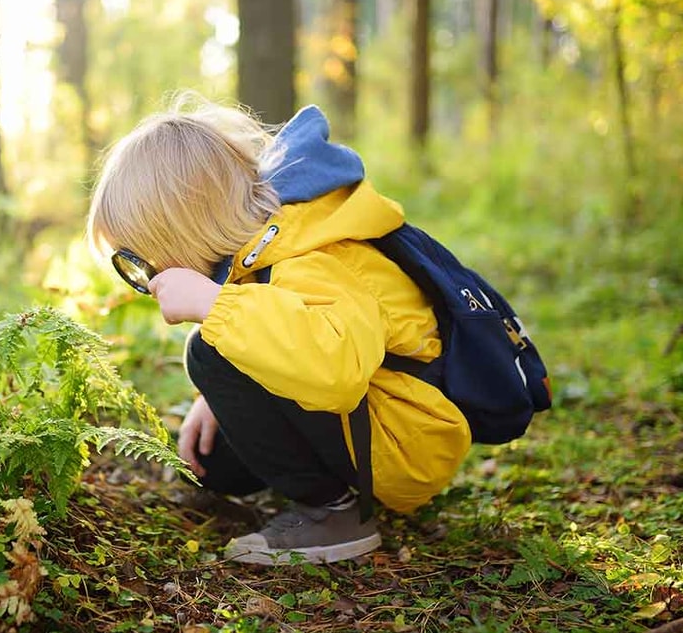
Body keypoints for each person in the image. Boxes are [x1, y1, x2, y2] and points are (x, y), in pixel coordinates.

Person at [86, 94, 471, 565]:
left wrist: (214, 307)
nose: (144, 278)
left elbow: (336, 368)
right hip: (371, 422)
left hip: (404, 440)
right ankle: (309, 487)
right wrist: (217, 397)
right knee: (215, 464)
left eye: (140, 260)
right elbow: (282, 327)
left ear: (184, 230)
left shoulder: (311, 252)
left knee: (206, 351)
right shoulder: (262, 248)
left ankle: (333, 514)